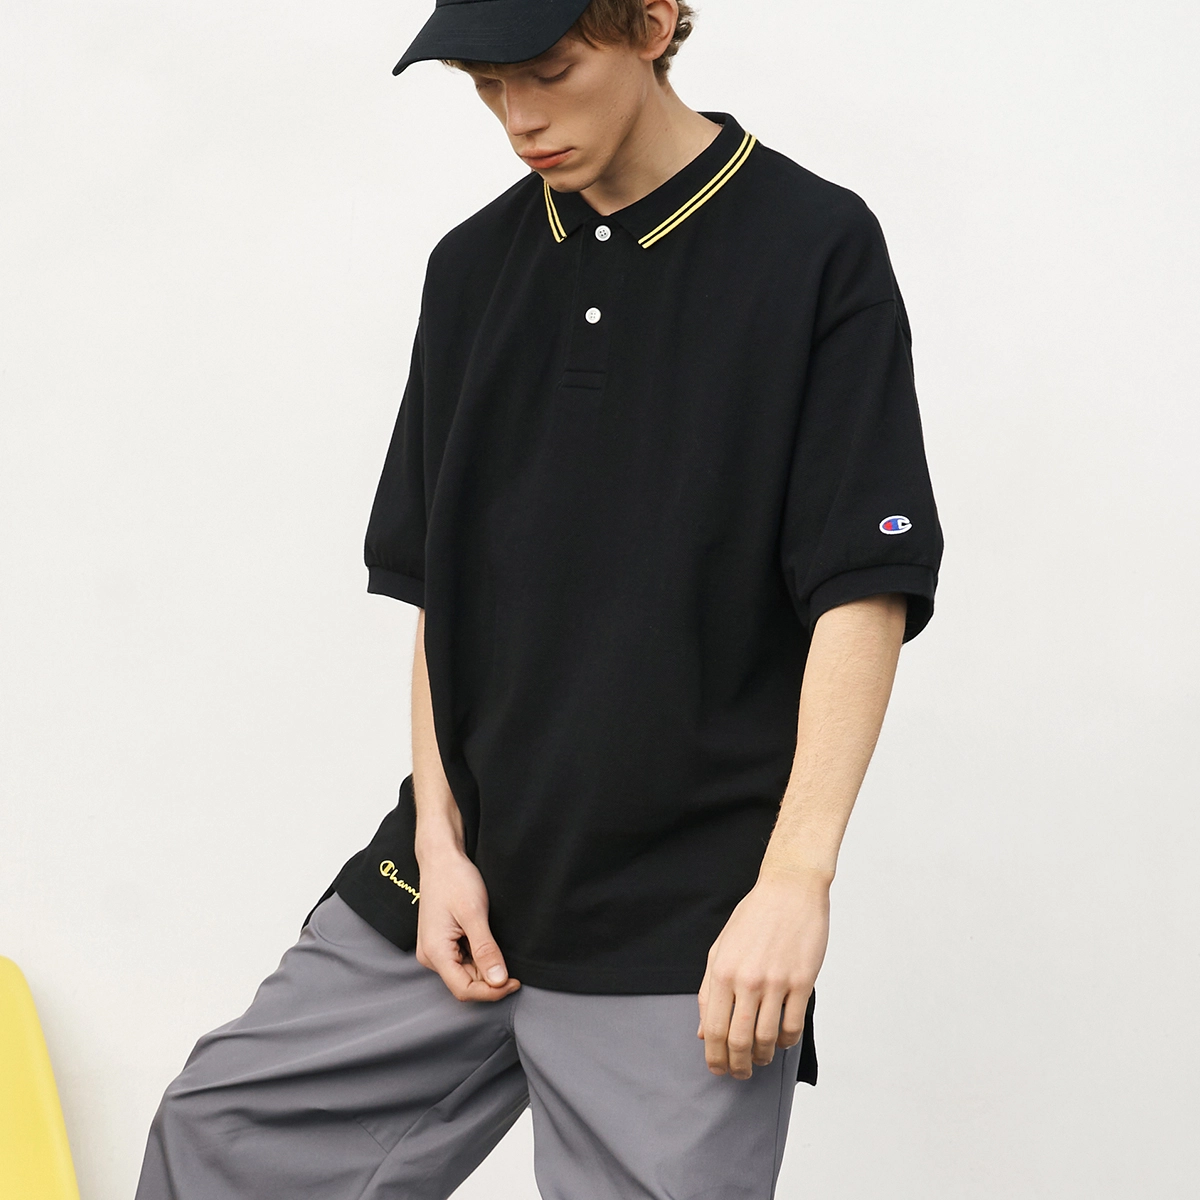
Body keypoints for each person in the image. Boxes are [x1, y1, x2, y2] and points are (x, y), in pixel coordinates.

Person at [133, 1, 943, 1196]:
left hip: (685, 916)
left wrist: (793, 884)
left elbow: (861, 592)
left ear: (653, 22)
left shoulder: (815, 246)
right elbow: (441, 592)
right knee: (220, 1137)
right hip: (461, 880)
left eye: (550, 71)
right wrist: (437, 839)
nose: (518, 118)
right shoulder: (471, 269)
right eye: (485, 84)